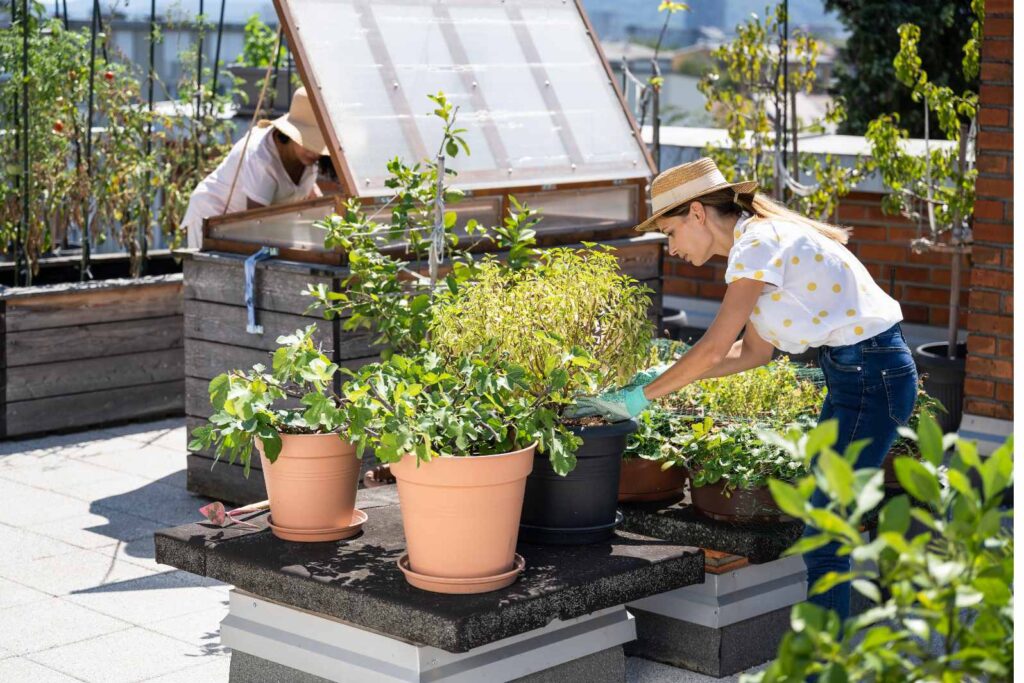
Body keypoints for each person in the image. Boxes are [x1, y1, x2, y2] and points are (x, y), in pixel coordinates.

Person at [576, 157, 918, 622]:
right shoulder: (757, 247)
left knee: (825, 530)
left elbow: (715, 347)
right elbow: (752, 352)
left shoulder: (757, 245)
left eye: (670, 233)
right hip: (854, 373)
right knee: (827, 521)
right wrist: (661, 377)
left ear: (697, 213)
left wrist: (641, 398)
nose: (671, 248)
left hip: (871, 375)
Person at [182, 87, 327, 249]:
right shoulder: (261, 157)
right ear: (291, 134)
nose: (315, 151)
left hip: (248, 227)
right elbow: (257, 225)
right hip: (213, 218)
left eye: (319, 145)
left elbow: (311, 195)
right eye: (309, 142)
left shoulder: (306, 157)